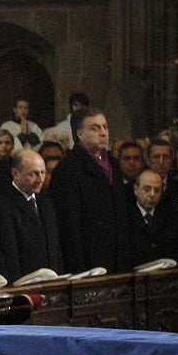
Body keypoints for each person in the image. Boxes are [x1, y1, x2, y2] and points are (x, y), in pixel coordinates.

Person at [50, 107, 123, 272]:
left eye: (105, 127)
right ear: (79, 134)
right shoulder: (67, 169)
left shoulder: (114, 164)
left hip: (115, 256)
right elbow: (68, 224)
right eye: (95, 128)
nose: (103, 132)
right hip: (87, 258)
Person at [0, 149, 64, 282]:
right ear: (15, 173)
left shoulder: (46, 200)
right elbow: (9, 251)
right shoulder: (3, 204)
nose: (40, 179)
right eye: (34, 174)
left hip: (52, 279)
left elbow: (55, 245)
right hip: (24, 280)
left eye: (43, 173)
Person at [118, 169, 178, 270]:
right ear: (136, 190)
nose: (152, 194)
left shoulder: (170, 216)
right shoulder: (124, 216)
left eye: (157, 190)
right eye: (147, 189)